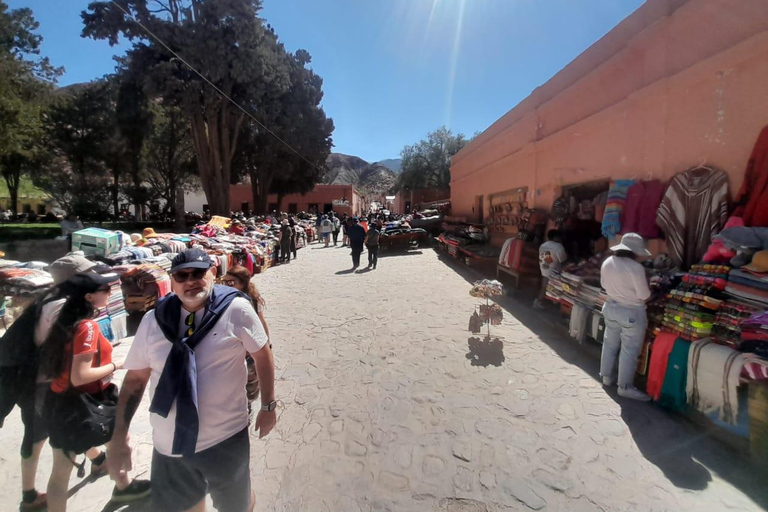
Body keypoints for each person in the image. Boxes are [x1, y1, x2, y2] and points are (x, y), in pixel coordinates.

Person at [108, 248, 276, 512]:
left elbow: (263, 356)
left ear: (211, 274)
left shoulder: (236, 309)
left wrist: (268, 406)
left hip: (225, 437)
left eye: (198, 273)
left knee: (236, 505)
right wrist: (118, 437)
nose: (190, 281)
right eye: (181, 275)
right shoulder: (153, 321)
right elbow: (135, 380)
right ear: (172, 282)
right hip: (170, 443)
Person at [40, 272, 151, 512]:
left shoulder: (65, 319)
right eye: (106, 290)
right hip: (83, 403)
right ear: (90, 296)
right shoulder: (87, 327)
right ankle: (122, 486)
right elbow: (80, 375)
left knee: (63, 468)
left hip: (62, 400)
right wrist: (117, 364)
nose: (111, 293)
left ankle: (123, 486)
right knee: (68, 467)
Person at [599, 233, 652, 401]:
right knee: (629, 351)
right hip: (632, 314)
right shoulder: (636, 268)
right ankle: (625, 387)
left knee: (609, 344)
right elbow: (644, 295)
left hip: (611, 308)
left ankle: (606, 377)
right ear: (635, 251)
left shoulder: (608, 262)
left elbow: (603, 285)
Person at [222, 266, 271, 414]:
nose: (226, 285)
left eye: (230, 282)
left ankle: (247, 407)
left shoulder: (252, 300)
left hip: (249, 352)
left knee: (249, 383)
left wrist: (266, 345)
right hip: (233, 351)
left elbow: (262, 323)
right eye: (224, 282)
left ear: (242, 283)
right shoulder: (224, 299)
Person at [533, 230, 568, 309]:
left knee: (545, 285)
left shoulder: (543, 245)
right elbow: (563, 260)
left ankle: (552, 299)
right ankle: (538, 301)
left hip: (544, 268)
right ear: (556, 237)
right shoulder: (559, 246)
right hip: (554, 270)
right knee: (546, 287)